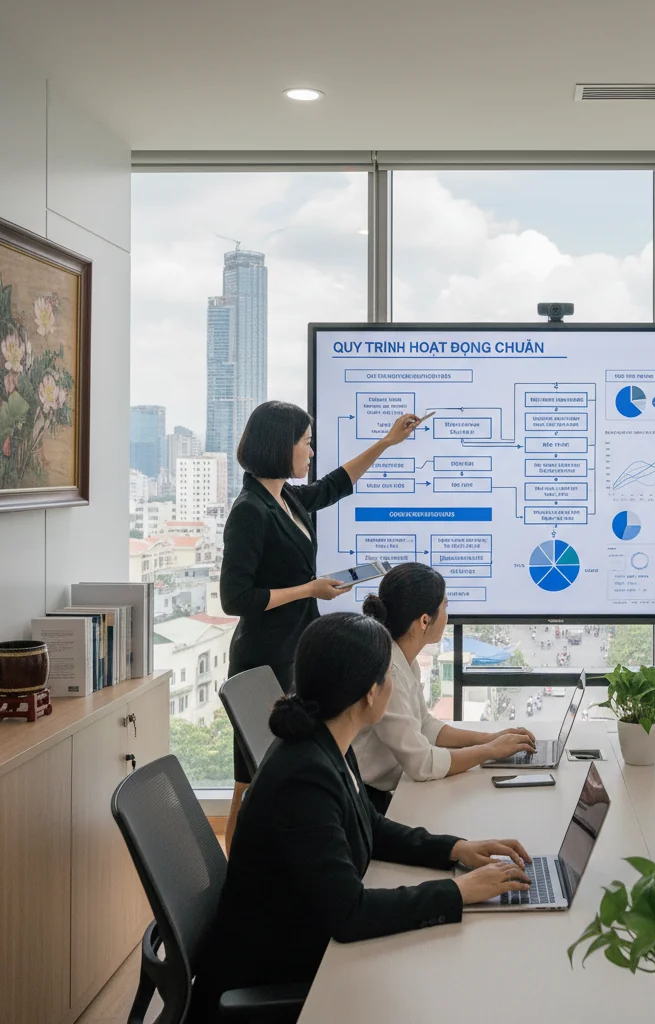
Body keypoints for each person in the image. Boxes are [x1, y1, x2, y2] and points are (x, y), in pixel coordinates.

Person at [195, 612, 533, 1009]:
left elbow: (369, 824)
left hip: (304, 937)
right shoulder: (303, 779)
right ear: (370, 694)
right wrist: (458, 891)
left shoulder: (327, 740)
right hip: (276, 971)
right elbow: (350, 914)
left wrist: (455, 849)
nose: (393, 685)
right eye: (387, 676)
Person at [219, 400, 422, 850]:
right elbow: (235, 598)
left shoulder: (284, 497)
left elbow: (335, 485)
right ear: (281, 445)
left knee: (290, 768)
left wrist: (387, 443)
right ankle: (235, 877)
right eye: (306, 443)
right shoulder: (250, 510)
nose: (311, 452)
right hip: (263, 660)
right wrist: (308, 589)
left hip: (293, 651)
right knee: (251, 781)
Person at [354, 563, 537, 811]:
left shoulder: (403, 658)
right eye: (445, 607)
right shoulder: (390, 673)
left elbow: (425, 726)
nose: (447, 615)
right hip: (366, 799)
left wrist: (491, 738)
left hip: (384, 792)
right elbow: (423, 764)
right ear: (424, 621)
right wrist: (489, 751)